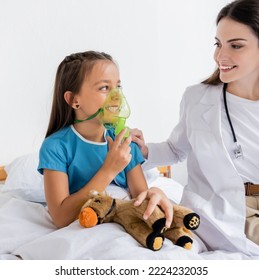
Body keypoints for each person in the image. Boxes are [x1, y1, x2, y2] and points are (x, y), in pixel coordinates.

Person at [131, 0, 259, 259]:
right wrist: (144, 151)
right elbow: (176, 150)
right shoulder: (198, 98)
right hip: (231, 211)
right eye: (218, 44)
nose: (220, 56)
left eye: (235, 46)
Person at [38, 51, 173, 229]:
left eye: (118, 86)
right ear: (73, 100)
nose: (116, 97)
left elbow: (141, 197)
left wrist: (154, 194)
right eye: (104, 88)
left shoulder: (124, 140)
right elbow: (61, 218)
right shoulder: (56, 147)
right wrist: (109, 169)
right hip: (83, 228)